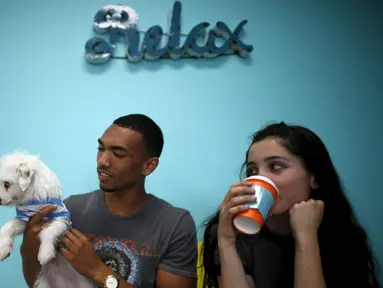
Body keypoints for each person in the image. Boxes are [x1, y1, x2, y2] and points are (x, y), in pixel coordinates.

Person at [20, 114, 198, 288]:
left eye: (118, 154)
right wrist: (29, 246)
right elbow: (38, 282)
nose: (103, 161)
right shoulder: (71, 209)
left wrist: (97, 270)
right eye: (101, 149)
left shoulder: (174, 224)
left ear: (148, 166)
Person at [201, 122, 381, 288]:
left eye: (276, 167)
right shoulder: (236, 234)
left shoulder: (341, 234)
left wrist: (306, 236)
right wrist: (226, 240)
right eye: (252, 170)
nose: (260, 178)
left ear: (314, 178)